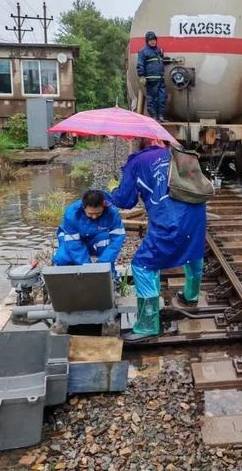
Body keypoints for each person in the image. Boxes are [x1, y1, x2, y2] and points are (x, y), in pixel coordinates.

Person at [108, 139, 206, 340]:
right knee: (193, 250)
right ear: (158, 141)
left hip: (169, 219)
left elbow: (125, 201)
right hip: (197, 213)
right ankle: (191, 296)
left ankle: (147, 325)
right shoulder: (178, 152)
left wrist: (113, 190)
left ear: (141, 145)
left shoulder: (137, 161)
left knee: (143, 265)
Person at [52, 190, 126, 277]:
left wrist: (103, 264)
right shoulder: (71, 213)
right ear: (84, 207)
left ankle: (111, 276)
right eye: (90, 213)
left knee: (106, 242)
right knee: (61, 259)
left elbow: (117, 239)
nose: (94, 217)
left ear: (103, 205)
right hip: (73, 240)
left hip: (97, 238)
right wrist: (87, 268)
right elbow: (73, 243)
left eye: (98, 213)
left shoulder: (112, 212)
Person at [136, 31, 167, 121]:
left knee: (162, 98)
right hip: (151, 80)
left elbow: (160, 62)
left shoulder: (159, 50)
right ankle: (153, 117)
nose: (152, 41)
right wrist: (141, 76)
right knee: (152, 99)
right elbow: (140, 64)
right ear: (147, 41)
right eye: (150, 40)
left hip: (160, 79)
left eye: (154, 40)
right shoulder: (143, 51)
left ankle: (160, 116)